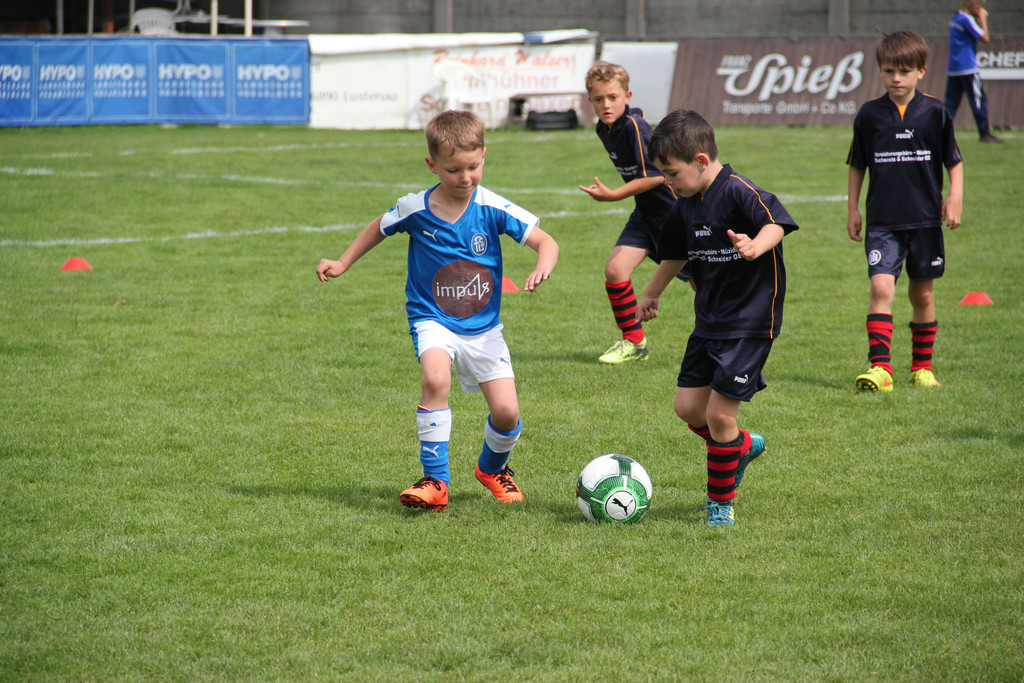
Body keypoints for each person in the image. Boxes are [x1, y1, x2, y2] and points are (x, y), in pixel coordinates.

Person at [316, 110, 559, 513]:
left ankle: (491, 469)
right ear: (432, 165)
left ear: (484, 155)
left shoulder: (492, 206)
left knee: (506, 412)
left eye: (473, 167)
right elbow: (379, 227)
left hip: (483, 328)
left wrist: (542, 265)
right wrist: (343, 262)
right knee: (434, 378)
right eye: (453, 170)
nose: (465, 178)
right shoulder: (416, 208)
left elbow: (546, 241)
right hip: (432, 318)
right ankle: (436, 482)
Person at [637, 109, 798, 527]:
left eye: (672, 173)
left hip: (750, 321)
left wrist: (756, 245)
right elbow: (675, 255)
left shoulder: (739, 191)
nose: (667, 182)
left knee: (720, 415)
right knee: (688, 408)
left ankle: (720, 505)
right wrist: (652, 292)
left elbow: (776, 223)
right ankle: (739, 447)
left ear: (701, 160)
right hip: (709, 320)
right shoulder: (685, 206)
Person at [847, 30, 963, 392]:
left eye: (904, 71)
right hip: (882, 221)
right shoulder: (869, 115)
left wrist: (955, 196)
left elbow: (953, 160)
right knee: (881, 287)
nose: (896, 78)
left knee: (922, 295)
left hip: (925, 220)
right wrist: (853, 208)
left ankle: (922, 368)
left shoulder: (935, 112)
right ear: (880, 71)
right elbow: (857, 164)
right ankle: (881, 368)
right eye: (888, 71)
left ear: (921, 71)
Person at [577, 60, 690, 365]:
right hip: (645, 214)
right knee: (615, 270)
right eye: (598, 99)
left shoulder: (633, 127)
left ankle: (726, 341)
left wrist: (613, 195)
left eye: (613, 97)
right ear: (590, 101)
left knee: (704, 284)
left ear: (627, 96)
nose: (606, 105)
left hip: (673, 216)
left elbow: (655, 176)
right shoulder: (604, 128)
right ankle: (634, 343)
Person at [945, 0, 1003, 143]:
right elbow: (985, 38)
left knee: (950, 104)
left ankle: (941, 133)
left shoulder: (955, 17)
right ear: (974, 5)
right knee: (978, 100)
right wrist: (982, 17)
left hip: (954, 69)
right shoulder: (966, 19)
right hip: (968, 68)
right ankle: (984, 133)